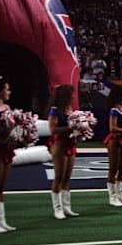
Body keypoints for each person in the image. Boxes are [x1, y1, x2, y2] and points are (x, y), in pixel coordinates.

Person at [45, 85, 80, 219]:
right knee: (59, 176)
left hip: (70, 144)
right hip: (59, 143)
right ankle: (57, 209)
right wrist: (71, 126)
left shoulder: (70, 110)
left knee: (67, 177)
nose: (72, 96)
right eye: (70, 94)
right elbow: (52, 130)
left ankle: (67, 207)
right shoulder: (55, 110)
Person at [0, 77, 16, 233]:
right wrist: (1, 131)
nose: (9, 92)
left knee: (1, 187)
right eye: (7, 89)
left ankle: (2, 220)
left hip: (7, 147)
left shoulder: (7, 107)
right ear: (0, 91)